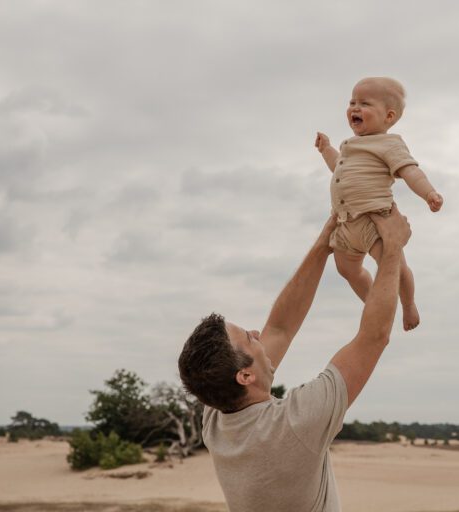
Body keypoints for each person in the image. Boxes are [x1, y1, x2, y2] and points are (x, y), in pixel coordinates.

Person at [178, 207, 412, 512]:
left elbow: (280, 327)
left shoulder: (217, 419)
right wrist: (392, 247)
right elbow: (374, 337)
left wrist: (325, 242)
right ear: (244, 376)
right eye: (248, 338)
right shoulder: (296, 424)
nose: (256, 332)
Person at [315, 76, 443, 331]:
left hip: (375, 221)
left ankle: (408, 304)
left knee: (394, 265)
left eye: (364, 103)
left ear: (389, 116)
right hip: (345, 224)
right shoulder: (350, 146)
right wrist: (327, 150)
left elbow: (411, 172)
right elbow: (339, 169)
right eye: (352, 102)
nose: (354, 108)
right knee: (346, 269)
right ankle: (372, 302)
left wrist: (429, 193)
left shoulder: (390, 144)